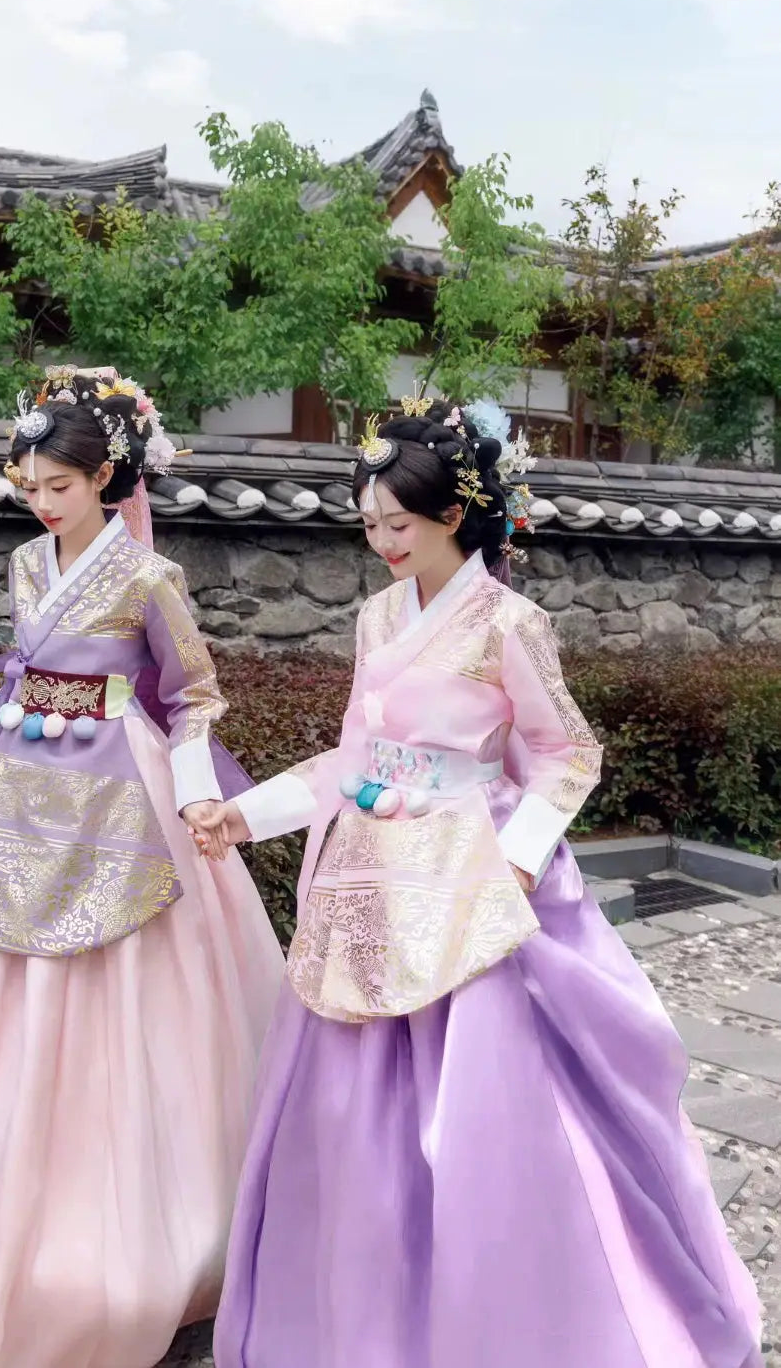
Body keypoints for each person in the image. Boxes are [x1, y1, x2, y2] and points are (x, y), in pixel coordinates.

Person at [199, 398, 764, 1368]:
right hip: (372, 881)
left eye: (397, 525)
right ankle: (366, 1316)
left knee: (479, 1121)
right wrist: (245, 816)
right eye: (370, 524)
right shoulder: (381, 614)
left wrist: (518, 853)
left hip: (470, 878)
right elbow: (353, 756)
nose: (380, 543)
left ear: (453, 516)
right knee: (351, 1117)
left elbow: (565, 753)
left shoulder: (509, 622)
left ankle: (512, 1311)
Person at [0, 367, 285, 1368]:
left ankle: (119, 1235)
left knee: (114, 982)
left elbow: (195, 697)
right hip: (19, 774)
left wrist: (201, 790)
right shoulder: (31, 565)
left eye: (59, 486)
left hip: (119, 787)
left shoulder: (151, 580)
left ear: (109, 477)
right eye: (30, 485)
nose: (41, 501)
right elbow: (23, 673)